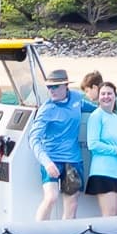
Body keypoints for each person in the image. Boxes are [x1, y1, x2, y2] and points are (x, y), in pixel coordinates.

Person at [30, 68, 88, 220]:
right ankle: (38, 233)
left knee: (72, 203)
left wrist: (109, 111)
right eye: (49, 87)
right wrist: (47, 162)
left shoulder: (76, 98)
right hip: (52, 158)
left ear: (65, 86)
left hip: (72, 159)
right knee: (51, 197)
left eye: (55, 86)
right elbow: (34, 139)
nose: (51, 90)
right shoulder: (46, 109)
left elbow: (90, 107)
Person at [80, 81, 117, 219]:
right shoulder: (96, 116)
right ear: (99, 97)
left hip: (115, 173)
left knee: (116, 214)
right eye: (103, 94)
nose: (106, 97)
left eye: (109, 93)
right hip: (101, 172)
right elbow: (93, 145)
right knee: (108, 216)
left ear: (115, 96)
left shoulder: (116, 118)